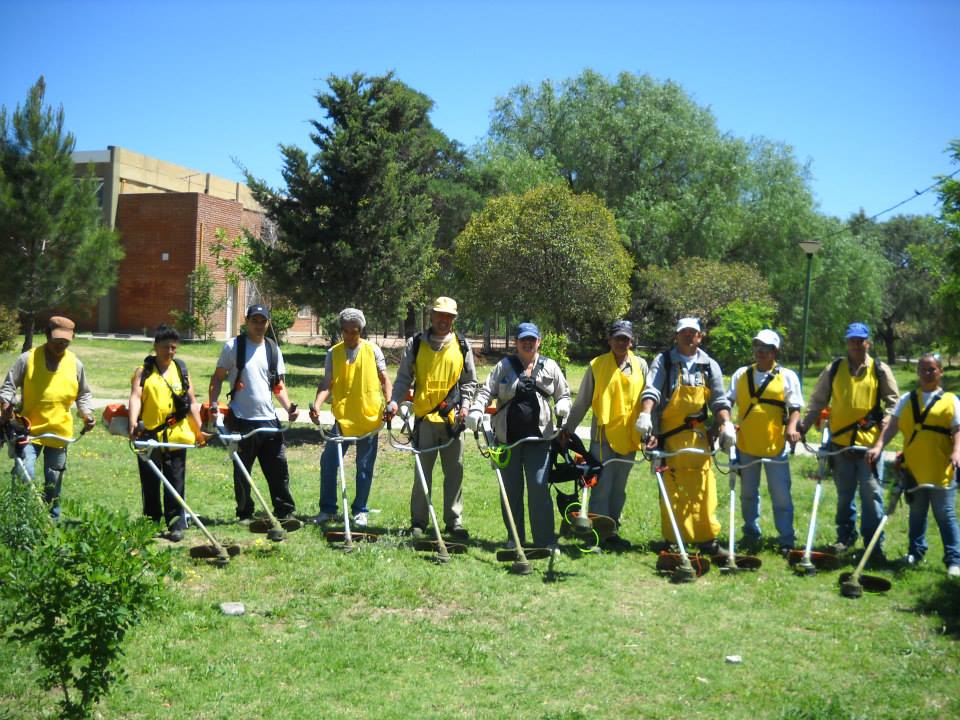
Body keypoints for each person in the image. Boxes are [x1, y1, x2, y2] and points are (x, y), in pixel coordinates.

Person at [636, 317, 735, 555]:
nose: (689, 336)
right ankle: (672, 542)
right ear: (677, 336)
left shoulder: (709, 365)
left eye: (694, 333)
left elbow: (719, 400)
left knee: (704, 489)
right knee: (672, 489)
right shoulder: (665, 361)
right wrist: (646, 415)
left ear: (700, 336)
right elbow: (652, 390)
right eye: (684, 332)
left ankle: (707, 540)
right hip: (669, 436)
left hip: (698, 437)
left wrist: (727, 424)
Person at [468, 322, 571, 551]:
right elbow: (486, 391)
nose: (528, 343)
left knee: (538, 488)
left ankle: (544, 541)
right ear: (516, 342)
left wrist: (563, 404)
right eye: (523, 339)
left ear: (538, 342)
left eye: (532, 340)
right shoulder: (504, 366)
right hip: (507, 441)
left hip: (540, 441)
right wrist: (476, 409)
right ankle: (515, 538)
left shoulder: (550, 366)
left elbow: (563, 394)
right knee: (511, 491)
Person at [801, 322, 899, 560]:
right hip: (840, 446)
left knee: (871, 495)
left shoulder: (880, 370)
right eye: (852, 340)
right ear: (847, 342)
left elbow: (894, 403)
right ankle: (845, 537)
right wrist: (803, 426)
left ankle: (873, 545)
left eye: (860, 340)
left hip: (868, 449)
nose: (856, 344)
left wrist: (885, 424)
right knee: (845, 496)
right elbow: (817, 401)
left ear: (868, 342)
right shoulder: (834, 368)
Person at [388, 297, 477, 539]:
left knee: (455, 473)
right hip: (424, 421)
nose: (443, 320)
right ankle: (418, 522)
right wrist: (395, 401)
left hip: (452, 421)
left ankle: (454, 522)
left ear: (454, 319)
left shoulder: (462, 346)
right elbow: (404, 378)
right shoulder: (416, 344)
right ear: (432, 316)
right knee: (421, 474)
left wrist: (466, 406)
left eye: (448, 316)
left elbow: (469, 383)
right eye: (440, 315)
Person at [866, 353, 960, 577]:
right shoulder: (907, 400)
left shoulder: (951, 400)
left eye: (932, 369)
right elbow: (892, 426)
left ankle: (954, 560)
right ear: (918, 372)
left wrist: (957, 451)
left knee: (945, 514)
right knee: (917, 513)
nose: (928, 373)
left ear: (940, 372)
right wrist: (879, 446)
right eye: (924, 369)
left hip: (941, 469)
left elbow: (958, 429)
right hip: (914, 469)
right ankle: (915, 552)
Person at [561, 319, 647, 549]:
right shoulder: (597, 365)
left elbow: (647, 401)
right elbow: (582, 402)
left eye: (625, 338)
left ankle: (612, 530)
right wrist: (567, 429)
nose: (621, 342)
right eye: (617, 338)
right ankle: (595, 535)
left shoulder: (641, 366)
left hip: (629, 437)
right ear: (609, 340)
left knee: (619, 487)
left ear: (631, 341)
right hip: (603, 438)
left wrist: (651, 430)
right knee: (601, 486)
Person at [208, 304, 299, 523]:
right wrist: (213, 403)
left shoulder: (272, 349)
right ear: (246, 321)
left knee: (278, 468)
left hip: (268, 420)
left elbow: (278, 385)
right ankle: (244, 513)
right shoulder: (233, 347)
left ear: (268, 323)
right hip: (241, 419)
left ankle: (285, 512)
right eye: (255, 321)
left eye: (263, 321)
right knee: (242, 471)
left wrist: (288, 407)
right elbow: (218, 378)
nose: (259, 325)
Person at [0, 316, 95, 518]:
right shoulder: (27, 358)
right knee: (25, 472)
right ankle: (19, 518)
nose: (61, 345)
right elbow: (8, 385)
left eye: (65, 342)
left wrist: (87, 414)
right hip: (28, 430)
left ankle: (52, 519)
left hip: (59, 432)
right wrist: (6, 403)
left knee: (54, 480)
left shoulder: (75, 364)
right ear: (46, 335)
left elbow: (84, 394)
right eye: (57, 341)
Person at [309, 308, 392, 528]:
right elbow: (328, 383)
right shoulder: (333, 353)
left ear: (361, 330)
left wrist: (390, 403)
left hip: (369, 419)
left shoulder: (373, 350)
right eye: (345, 331)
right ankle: (327, 510)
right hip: (343, 419)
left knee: (364, 466)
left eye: (353, 332)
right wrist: (317, 405)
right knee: (328, 462)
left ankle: (360, 511)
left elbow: (385, 380)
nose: (349, 336)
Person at [725, 329, 803, 555]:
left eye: (765, 347)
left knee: (780, 494)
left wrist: (791, 427)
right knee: (748, 493)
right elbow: (728, 402)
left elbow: (795, 408)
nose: (759, 351)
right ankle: (751, 532)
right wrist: (726, 424)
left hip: (775, 447)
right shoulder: (741, 374)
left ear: (775, 351)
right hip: (746, 446)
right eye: (757, 346)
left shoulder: (787, 376)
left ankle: (786, 538)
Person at [127, 325, 203, 542]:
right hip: (150, 435)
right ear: (155, 347)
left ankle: (175, 524)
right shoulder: (144, 372)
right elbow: (135, 396)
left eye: (173, 348)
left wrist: (199, 431)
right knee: (150, 480)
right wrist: (133, 422)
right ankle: (151, 522)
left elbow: (192, 403)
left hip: (177, 434)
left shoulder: (181, 370)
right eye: (165, 347)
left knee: (175, 480)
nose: (169, 352)